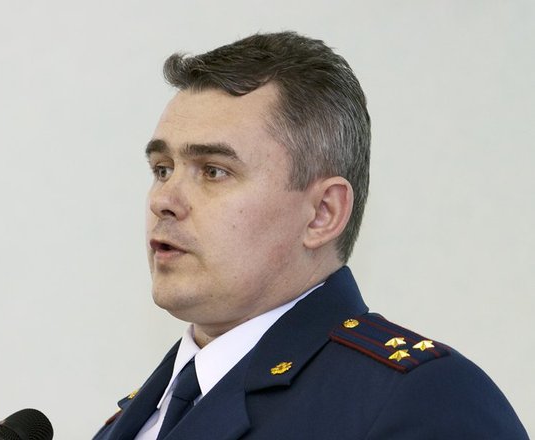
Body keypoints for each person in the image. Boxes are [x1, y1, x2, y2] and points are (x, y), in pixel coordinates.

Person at [93, 31, 528, 440]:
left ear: (322, 214)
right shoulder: (133, 422)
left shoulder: (424, 400)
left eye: (213, 171)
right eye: (162, 169)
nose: (163, 200)